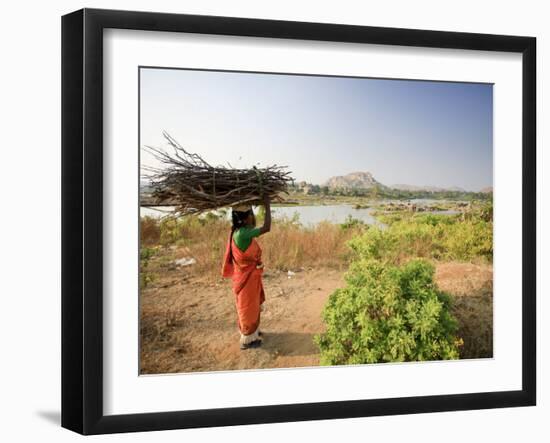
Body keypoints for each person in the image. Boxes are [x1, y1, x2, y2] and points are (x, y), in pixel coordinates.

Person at [221, 195, 271, 350]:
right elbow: (266, 227)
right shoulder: (242, 233)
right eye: (251, 214)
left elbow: (255, 226)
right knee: (247, 306)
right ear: (246, 217)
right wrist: (267, 206)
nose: (252, 217)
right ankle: (247, 340)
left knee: (252, 305)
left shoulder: (238, 230)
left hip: (247, 276)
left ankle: (253, 332)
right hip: (246, 278)